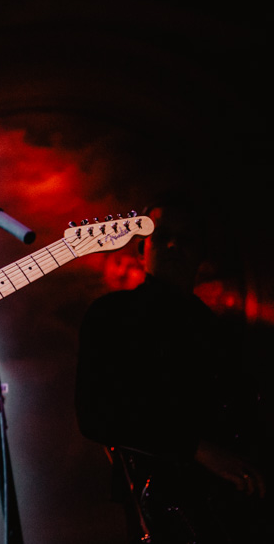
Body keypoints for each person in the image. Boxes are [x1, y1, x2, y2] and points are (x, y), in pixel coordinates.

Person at [75, 197, 271, 543]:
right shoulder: (111, 315)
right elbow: (96, 414)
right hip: (167, 512)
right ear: (141, 249)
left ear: (202, 254)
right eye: (162, 234)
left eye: (187, 238)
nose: (174, 244)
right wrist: (197, 449)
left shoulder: (221, 333)